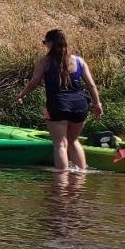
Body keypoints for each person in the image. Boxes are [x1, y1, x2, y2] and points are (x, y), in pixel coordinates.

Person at [16, 29, 103, 173]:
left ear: (49, 43)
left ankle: (61, 183)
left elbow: (34, 82)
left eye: (45, 43)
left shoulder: (44, 62)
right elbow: (91, 85)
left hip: (57, 105)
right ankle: (80, 179)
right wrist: (97, 104)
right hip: (80, 105)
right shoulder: (79, 61)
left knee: (60, 144)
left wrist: (22, 94)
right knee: (74, 141)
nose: (44, 45)